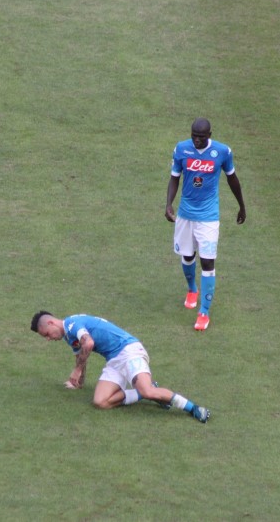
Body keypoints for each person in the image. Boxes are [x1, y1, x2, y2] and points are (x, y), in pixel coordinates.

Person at [30, 311, 211, 423]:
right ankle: (140, 393)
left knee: (148, 390)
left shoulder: (72, 324)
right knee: (100, 402)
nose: (48, 338)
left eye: (46, 334)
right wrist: (78, 382)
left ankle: (193, 408)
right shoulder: (68, 336)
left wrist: (77, 370)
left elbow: (89, 343)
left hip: (129, 351)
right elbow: (80, 356)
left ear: (51, 323)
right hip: (114, 360)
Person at [165, 117, 246, 331]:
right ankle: (192, 289)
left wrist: (242, 206)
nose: (197, 140)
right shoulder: (181, 149)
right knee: (187, 256)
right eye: (194, 136)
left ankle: (204, 312)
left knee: (208, 262)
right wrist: (169, 204)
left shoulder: (222, 152)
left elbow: (232, 179)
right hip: (185, 214)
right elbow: (174, 178)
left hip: (209, 217)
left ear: (209, 135)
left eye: (201, 137)